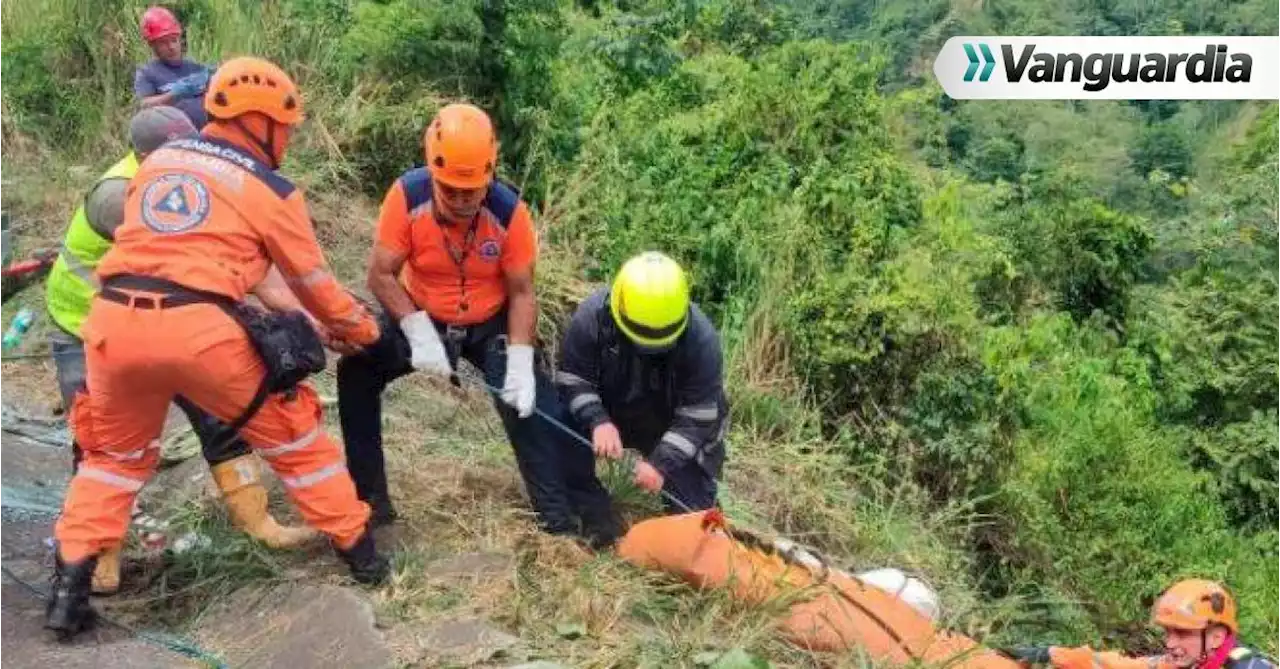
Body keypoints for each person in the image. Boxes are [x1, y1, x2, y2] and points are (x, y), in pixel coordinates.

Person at [45, 57, 388, 642]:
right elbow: (313, 284)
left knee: (110, 461)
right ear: (262, 122)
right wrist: (363, 333)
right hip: (199, 331)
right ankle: (363, 555)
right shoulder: (271, 189)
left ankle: (68, 590)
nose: (290, 138)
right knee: (296, 434)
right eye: (287, 127)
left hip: (112, 325)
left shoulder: (158, 164)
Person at [44, 106, 321, 597]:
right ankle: (98, 558)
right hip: (88, 330)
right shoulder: (120, 195)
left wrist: (308, 315)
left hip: (163, 324)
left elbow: (244, 265)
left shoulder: (182, 181)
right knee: (103, 445)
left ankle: (257, 521)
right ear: (146, 155)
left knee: (222, 416)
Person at [336, 102, 616, 546]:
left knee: (533, 406)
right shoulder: (407, 198)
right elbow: (381, 274)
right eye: (451, 190)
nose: (464, 200)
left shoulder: (508, 214)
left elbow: (523, 292)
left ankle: (563, 522)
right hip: (424, 312)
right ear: (433, 173)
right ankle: (370, 503)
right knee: (356, 371)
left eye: (472, 190)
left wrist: (521, 360)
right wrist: (414, 328)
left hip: (490, 321)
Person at [555, 251, 727, 513]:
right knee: (560, 423)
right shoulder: (591, 318)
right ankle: (584, 508)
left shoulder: (702, 341)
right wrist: (596, 419)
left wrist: (661, 463)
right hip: (610, 406)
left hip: (669, 420)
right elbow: (572, 379)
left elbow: (698, 415)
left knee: (694, 510)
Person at [1002, 579, 1275, 669]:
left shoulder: (1250, 667)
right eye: (1168, 632)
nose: (1170, 643)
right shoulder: (1186, 662)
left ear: (1216, 637)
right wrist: (1051, 653)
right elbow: (1119, 665)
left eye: (1181, 633)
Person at [134, 6, 212, 129]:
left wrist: (218, 76)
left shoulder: (194, 68)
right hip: (173, 138)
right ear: (152, 45)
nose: (171, 47)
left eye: (174, 40)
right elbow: (144, 105)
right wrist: (174, 95)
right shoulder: (147, 73)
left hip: (206, 134)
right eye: (164, 43)